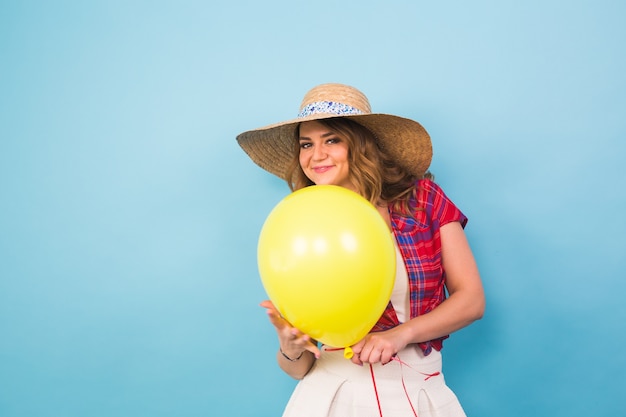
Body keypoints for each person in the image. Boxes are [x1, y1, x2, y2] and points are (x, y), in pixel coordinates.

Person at [236, 83, 485, 417]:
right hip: (332, 395)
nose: (316, 155)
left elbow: (471, 300)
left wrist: (400, 335)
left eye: (332, 139)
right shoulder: (302, 223)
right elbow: (299, 367)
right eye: (306, 144)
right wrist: (290, 347)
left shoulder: (423, 200)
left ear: (359, 144)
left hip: (421, 390)